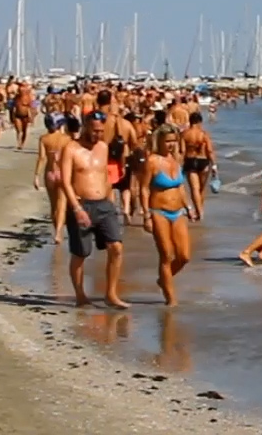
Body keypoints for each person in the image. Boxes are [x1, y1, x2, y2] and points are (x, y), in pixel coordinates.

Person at [59, 112, 129, 308]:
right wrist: (77, 209)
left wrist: (112, 202)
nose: (98, 134)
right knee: (81, 253)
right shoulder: (71, 149)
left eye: (101, 131)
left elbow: (105, 177)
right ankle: (80, 295)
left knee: (116, 247)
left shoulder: (103, 147)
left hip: (104, 205)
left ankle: (111, 294)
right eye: (95, 130)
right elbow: (65, 182)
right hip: (82, 204)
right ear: (86, 126)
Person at [139, 126, 193, 306]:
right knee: (166, 255)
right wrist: (146, 215)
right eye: (168, 141)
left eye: (173, 141)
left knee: (184, 256)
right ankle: (171, 300)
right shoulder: (152, 161)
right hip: (158, 212)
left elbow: (180, 186)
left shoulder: (176, 159)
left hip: (178, 212)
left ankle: (164, 279)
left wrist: (189, 206)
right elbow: (144, 188)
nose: (171, 145)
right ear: (160, 141)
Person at [32, 114, 75, 245]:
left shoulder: (44, 139)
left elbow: (42, 158)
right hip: (63, 173)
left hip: (50, 173)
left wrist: (36, 175)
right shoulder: (67, 139)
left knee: (53, 205)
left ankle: (56, 228)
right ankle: (59, 234)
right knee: (62, 205)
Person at [181, 111, 216, 220]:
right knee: (201, 188)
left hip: (190, 160)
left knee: (194, 189)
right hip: (203, 160)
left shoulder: (184, 134)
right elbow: (209, 150)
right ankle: (200, 210)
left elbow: (182, 150)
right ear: (200, 121)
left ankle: (199, 212)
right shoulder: (204, 134)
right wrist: (214, 165)